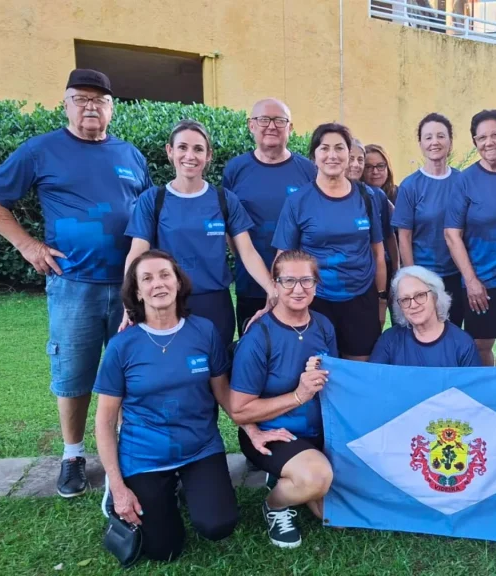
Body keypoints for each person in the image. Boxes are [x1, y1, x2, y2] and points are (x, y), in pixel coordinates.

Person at [0, 69, 152, 497]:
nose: (91, 106)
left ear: (111, 108)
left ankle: (126, 452)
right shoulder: (42, 150)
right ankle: (72, 456)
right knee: (74, 373)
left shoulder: (130, 155)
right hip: (75, 286)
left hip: (130, 286)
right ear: (66, 104)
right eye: (81, 98)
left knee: (130, 371)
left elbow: (147, 213)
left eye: (99, 100)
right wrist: (27, 245)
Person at [93, 250, 239, 562]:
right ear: (137, 292)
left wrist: (252, 430)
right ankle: (128, 491)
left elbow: (224, 394)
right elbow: (104, 422)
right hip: (144, 455)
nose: (157, 283)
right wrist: (118, 487)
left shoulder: (204, 331)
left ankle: (183, 487)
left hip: (200, 448)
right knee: (164, 549)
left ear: (178, 283)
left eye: (164, 275)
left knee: (218, 525)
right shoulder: (121, 346)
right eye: (147, 278)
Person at [123, 119, 273, 344]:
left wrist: (272, 289)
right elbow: (137, 254)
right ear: (170, 151)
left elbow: (247, 252)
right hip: (168, 304)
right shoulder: (153, 199)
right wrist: (128, 302)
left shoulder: (224, 199)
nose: (190, 156)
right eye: (182, 147)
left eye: (198, 149)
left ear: (208, 155)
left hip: (215, 305)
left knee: (218, 364)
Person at [230, 250, 338, 549]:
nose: (298, 289)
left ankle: (288, 475)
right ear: (275, 285)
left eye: (306, 280)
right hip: (274, 434)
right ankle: (275, 505)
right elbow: (240, 411)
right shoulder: (258, 337)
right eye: (289, 280)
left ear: (316, 285)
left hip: (321, 433)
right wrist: (299, 394)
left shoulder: (324, 326)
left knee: (334, 515)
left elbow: (336, 382)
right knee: (316, 479)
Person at [272, 123, 387, 361]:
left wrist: (382, 299)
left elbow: (378, 253)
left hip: (361, 298)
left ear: (348, 153)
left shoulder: (366, 197)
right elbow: (283, 258)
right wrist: (275, 299)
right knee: (317, 369)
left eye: (339, 148)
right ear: (314, 156)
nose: (332, 155)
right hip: (314, 299)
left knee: (358, 370)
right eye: (324, 148)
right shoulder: (298, 201)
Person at [223, 98, 316, 333]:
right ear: (251, 125)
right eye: (264, 119)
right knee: (253, 343)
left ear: (290, 128)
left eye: (280, 120)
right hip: (250, 283)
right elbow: (229, 226)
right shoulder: (235, 169)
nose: (272, 126)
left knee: (298, 345)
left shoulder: (308, 170)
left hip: (298, 286)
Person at [444, 110, 496, 366]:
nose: (489, 142)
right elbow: (452, 234)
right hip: (481, 279)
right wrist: (471, 281)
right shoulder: (465, 180)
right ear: (475, 142)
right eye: (481, 138)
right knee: (481, 343)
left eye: (495, 135)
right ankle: (486, 390)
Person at [393, 113, 466, 327]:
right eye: (428, 137)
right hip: (424, 276)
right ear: (421, 144)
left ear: (450, 142)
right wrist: (412, 277)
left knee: (453, 331)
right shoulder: (410, 186)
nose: (435, 142)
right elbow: (404, 238)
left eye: (441, 136)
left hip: (457, 274)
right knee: (423, 331)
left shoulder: (462, 181)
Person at [370, 266, 482, 367]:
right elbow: (373, 379)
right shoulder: (389, 340)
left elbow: (472, 383)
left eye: (420, 295)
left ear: (435, 297)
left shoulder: (463, 344)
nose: (413, 305)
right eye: (405, 299)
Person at [349, 139, 400, 308]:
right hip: (363, 269)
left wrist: (397, 268)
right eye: (369, 167)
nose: (375, 171)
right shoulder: (362, 195)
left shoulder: (390, 194)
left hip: (388, 263)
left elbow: (390, 236)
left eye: (380, 166)